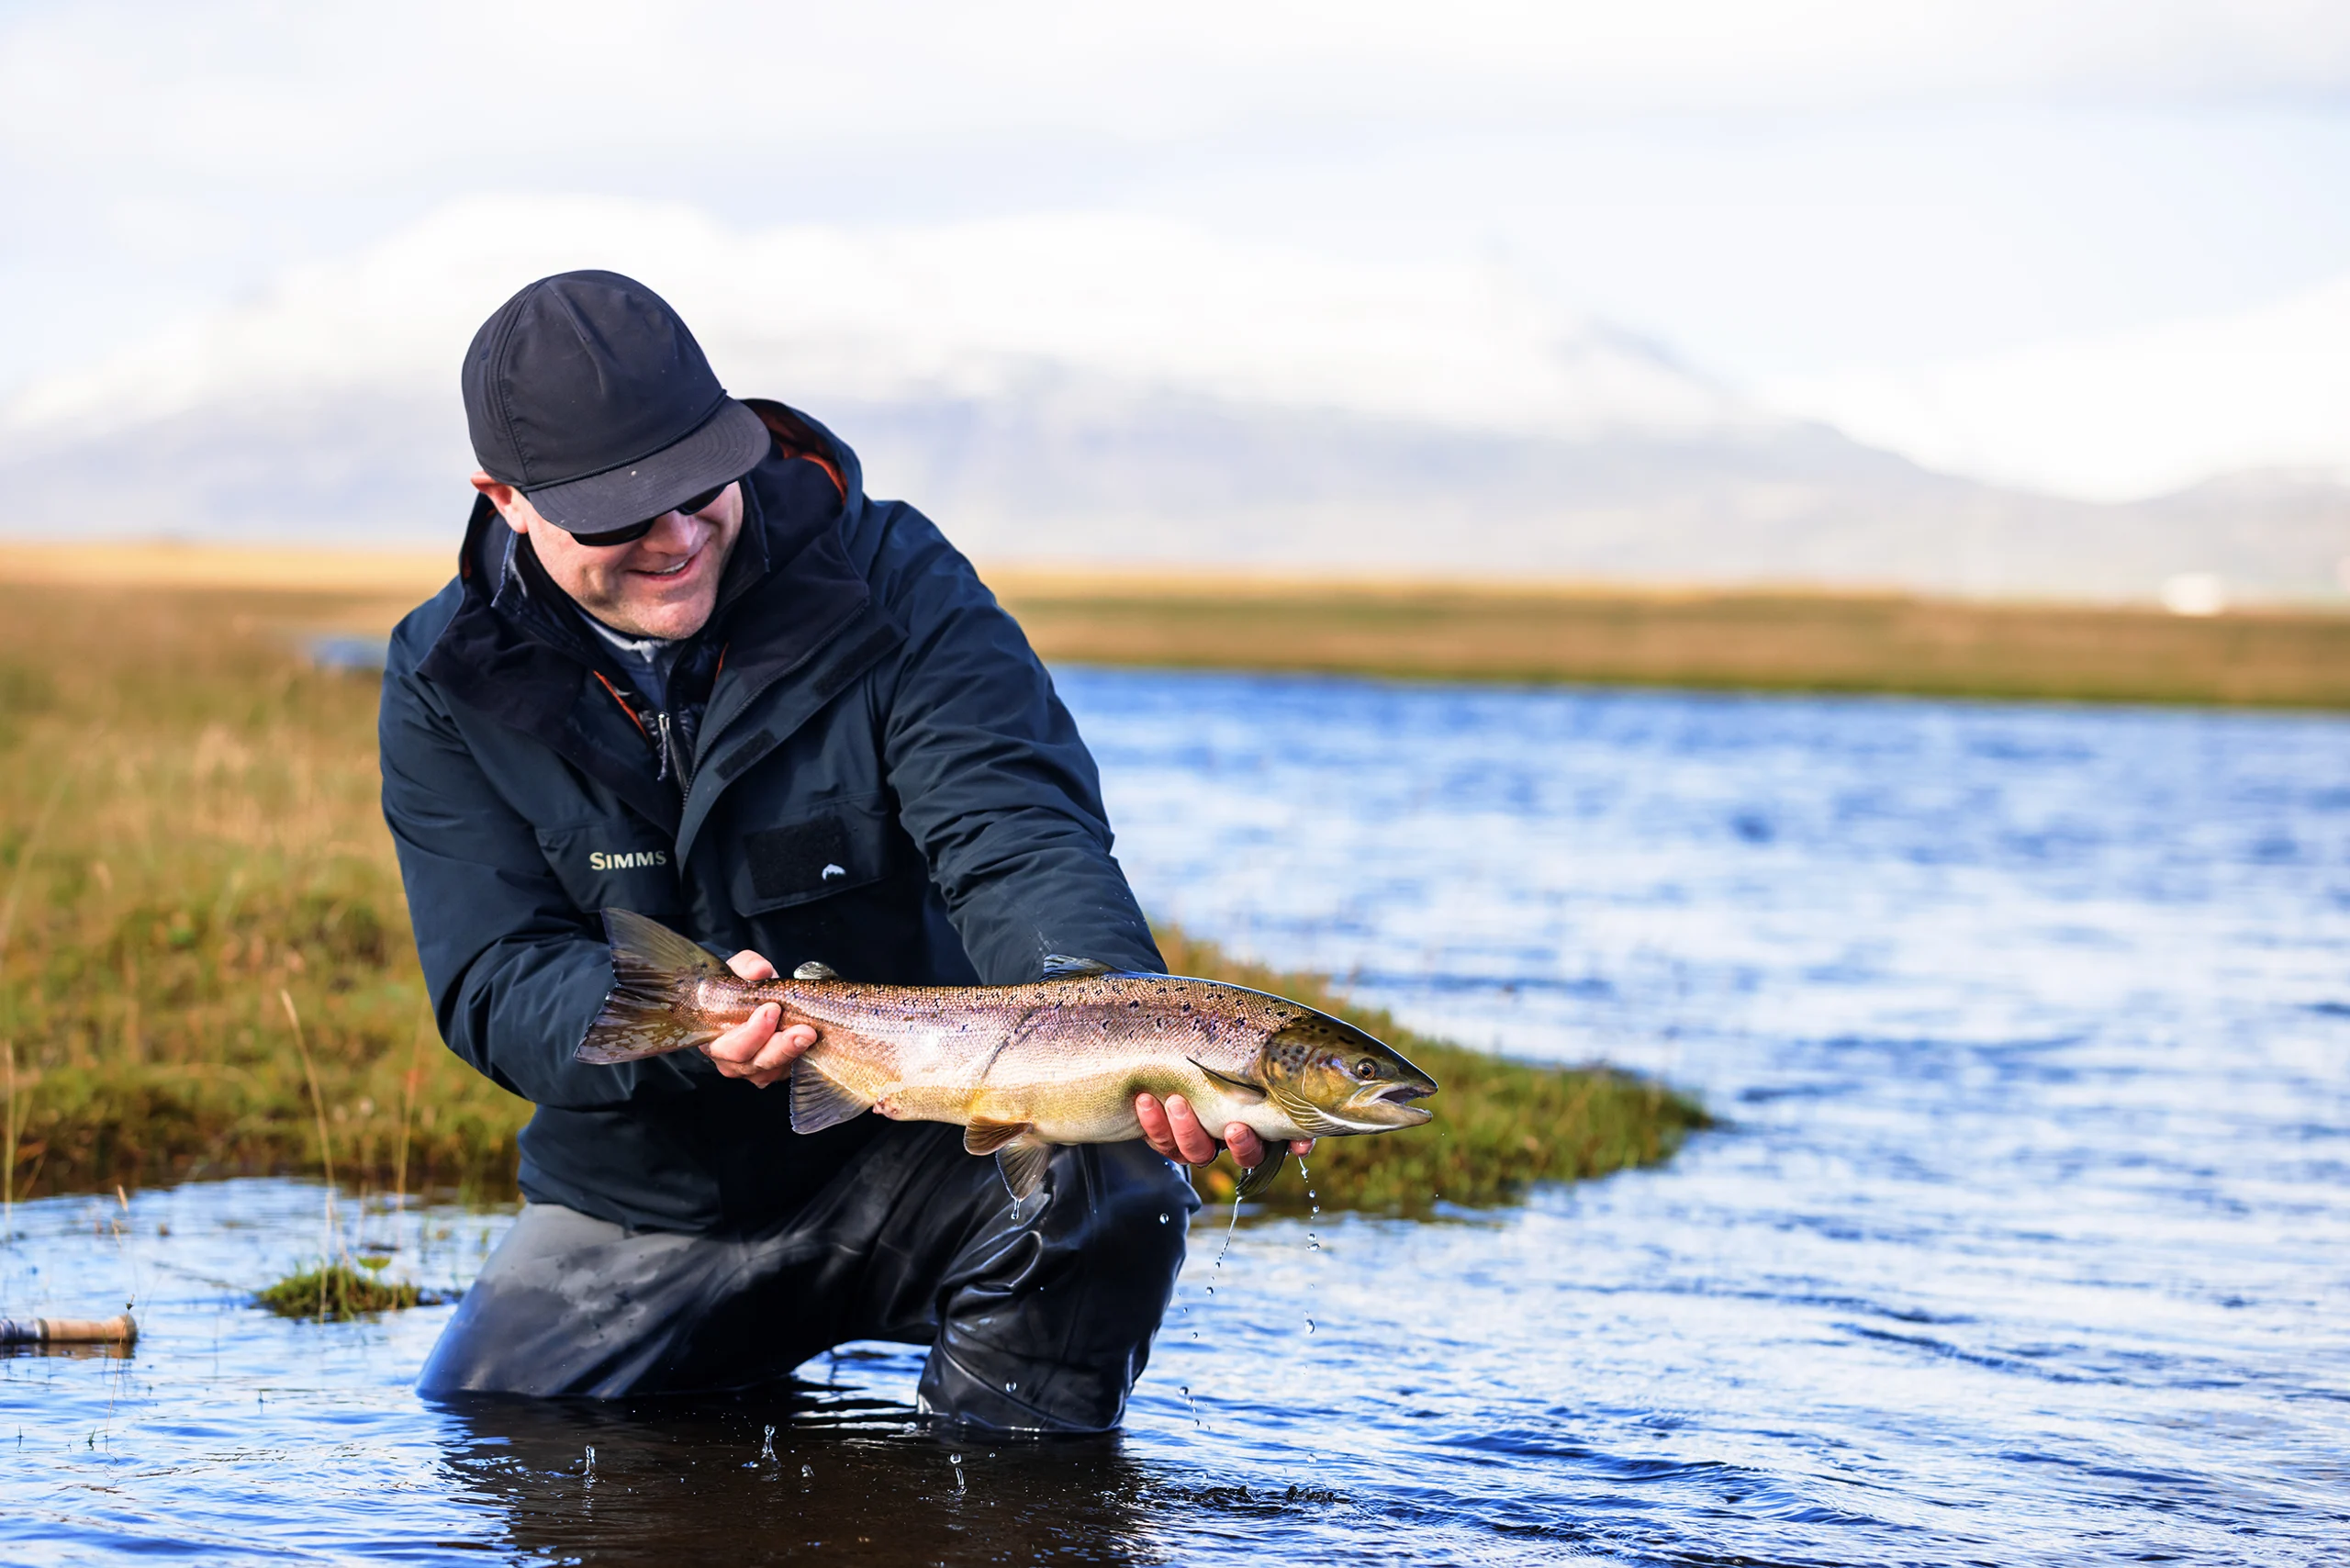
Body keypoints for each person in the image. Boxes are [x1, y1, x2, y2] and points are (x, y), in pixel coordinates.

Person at [380, 270, 1307, 1429]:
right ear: (505, 497)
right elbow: (494, 973)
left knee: (1113, 1180)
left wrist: (1107, 1020)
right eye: (622, 512)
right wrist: (696, 1037)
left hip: (938, 1162)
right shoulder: (443, 677)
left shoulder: (897, 585)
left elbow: (1015, 836)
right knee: (494, 1435)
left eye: (697, 483)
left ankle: (1005, 1515)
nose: (675, 537)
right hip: (647, 1198)